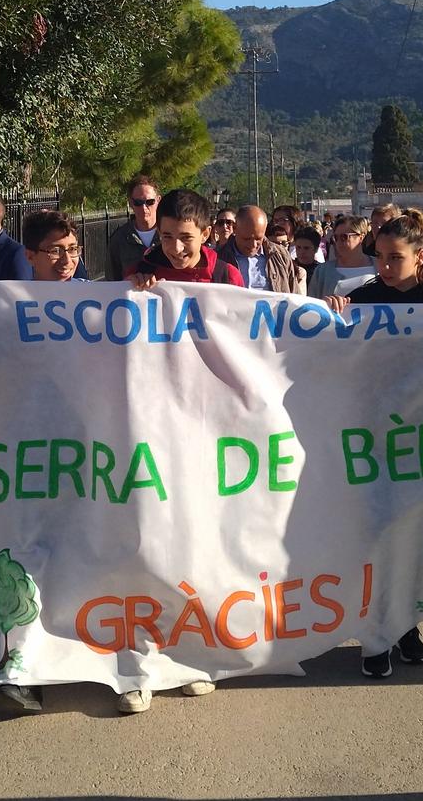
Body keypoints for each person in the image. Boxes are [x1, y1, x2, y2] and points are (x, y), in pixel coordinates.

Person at [321, 212, 423, 678]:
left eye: (396, 258)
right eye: (380, 257)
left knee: (414, 537)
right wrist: (328, 311)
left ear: (420, 256)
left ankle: (407, 627)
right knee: (376, 537)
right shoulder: (361, 301)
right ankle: (374, 636)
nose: (385, 266)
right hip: (371, 439)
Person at [117, 187, 243, 715]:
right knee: (148, 540)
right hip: (153, 426)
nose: (173, 248)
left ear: (208, 233)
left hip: (210, 429)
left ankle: (195, 655)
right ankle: (138, 662)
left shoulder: (225, 278)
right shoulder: (140, 273)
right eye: (165, 237)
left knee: (200, 541)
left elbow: (250, 342)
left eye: (185, 238)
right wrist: (135, 290)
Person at [221, 204, 302, 293]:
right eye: (246, 239)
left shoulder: (280, 256)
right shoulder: (219, 258)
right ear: (235, 228)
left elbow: (295, 296)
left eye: (258, 239)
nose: (253, 245)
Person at [105, 175, 160, 282]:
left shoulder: (170, 236)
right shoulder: (119, 239)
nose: (144, 208)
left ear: (158, 200)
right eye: (138, 203)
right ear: (131, 203)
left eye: (149, 202)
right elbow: (112, 281)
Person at [308, 215, 376, 299]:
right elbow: (313, 304)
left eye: (344, 237)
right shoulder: (323, 271)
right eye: (336, 238)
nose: (339, 242)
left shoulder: (379, 266)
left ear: (361, 237)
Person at [22, 209, 87, 285]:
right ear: (30, 256)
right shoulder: (16, 296)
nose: (67, 260)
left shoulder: (93, 292)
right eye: (56, 251)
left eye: (72, 249)